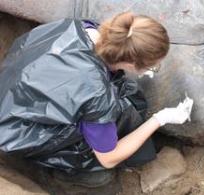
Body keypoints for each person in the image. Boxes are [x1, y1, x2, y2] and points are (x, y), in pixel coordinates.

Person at [0, 12, 193, 187]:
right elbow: (108, 158)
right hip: (17, 133)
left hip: (13, 94)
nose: (152, 69)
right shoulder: (95, 94)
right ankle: (65, 180)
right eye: (152, 66)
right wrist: (160, 119)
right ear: (130, 62)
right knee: (101, 178)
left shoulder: (79, 26)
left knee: (127, 96)